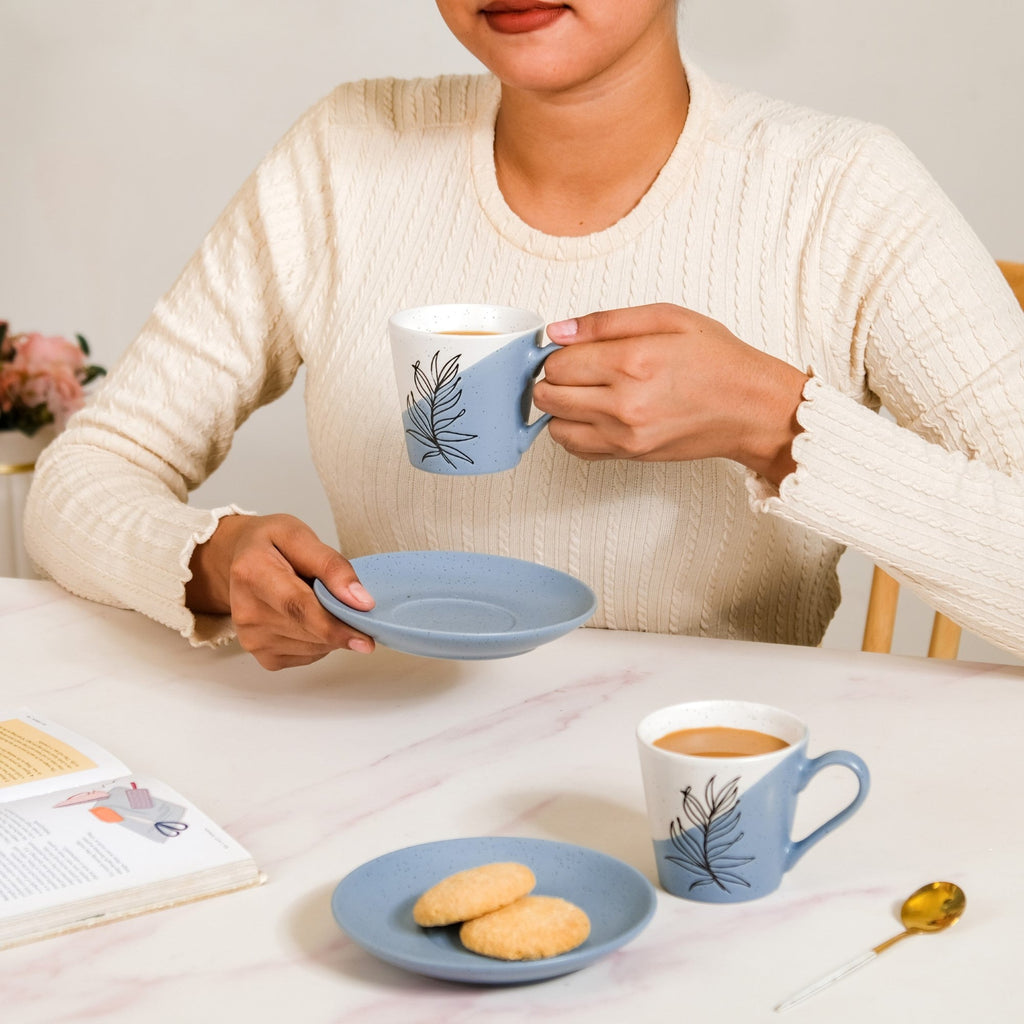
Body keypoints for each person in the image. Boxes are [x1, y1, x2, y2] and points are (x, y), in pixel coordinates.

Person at [25, 0, 1024, 670]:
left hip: (695, 815)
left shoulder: (838, 195)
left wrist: (781, 422)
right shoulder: (345, 154)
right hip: (393, 769)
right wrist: (210, 558)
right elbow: (84, 476)